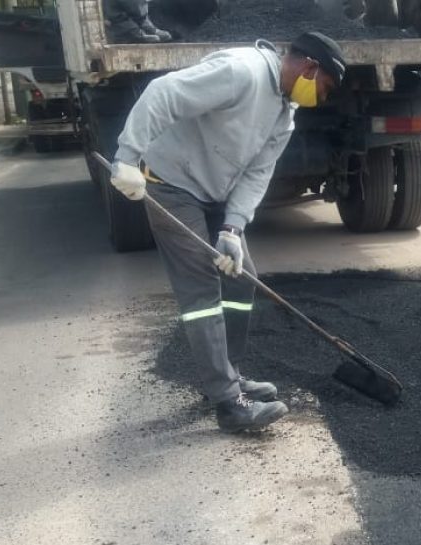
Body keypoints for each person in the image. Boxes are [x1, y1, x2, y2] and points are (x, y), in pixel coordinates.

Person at [109, 33, 347, 432]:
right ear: (309, 68)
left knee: (241, 280)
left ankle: (229, 376)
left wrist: (233, 229)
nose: (320, 98)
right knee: (202, 289)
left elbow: (257, 174)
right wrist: (128, 157)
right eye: (324, 88)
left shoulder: (284, 114)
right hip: (171, 184)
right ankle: (228, 404)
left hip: (215, 192)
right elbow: (162, 92)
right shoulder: (242, 72)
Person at [104, 0, 172, 43]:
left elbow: (140, 15)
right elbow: (118, 16)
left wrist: (153, 30)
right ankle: (134, 35)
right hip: (117, 29)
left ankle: (141, 32)